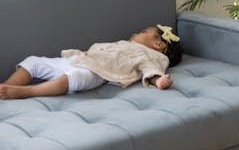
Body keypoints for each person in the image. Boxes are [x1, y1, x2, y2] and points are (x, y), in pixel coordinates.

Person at [0, 24, 183, 100]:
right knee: (33, 62)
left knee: (74, 78)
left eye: (143, 32)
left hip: (99, 72)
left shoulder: (149, 55)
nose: (136, 33)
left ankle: (26, 92)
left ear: (158, 44)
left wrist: (158, 80)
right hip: (81, 59)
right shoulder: (127, 44)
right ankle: (5, 88)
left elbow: (150, 68)